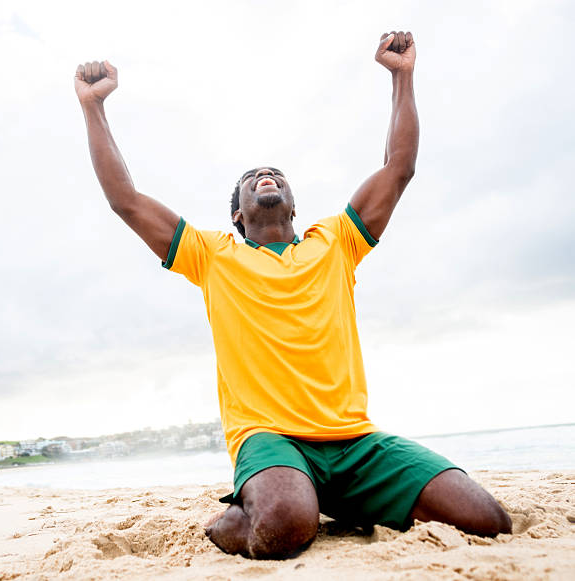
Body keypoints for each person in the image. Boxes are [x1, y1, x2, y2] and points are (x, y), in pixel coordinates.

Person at [75, 30, 512, 560]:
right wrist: (94, 109)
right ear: (237, 213)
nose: (265, 174)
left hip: (355, 440)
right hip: (270, 437)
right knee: (285, 524)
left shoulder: (336, 242)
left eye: (275, 173)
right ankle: (246, 513)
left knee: (488, 520)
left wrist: (402, 76)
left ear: (293, 205)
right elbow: (126, 201)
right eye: (251, 178)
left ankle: (341, 495)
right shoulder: (212, 255)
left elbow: (399, 168)